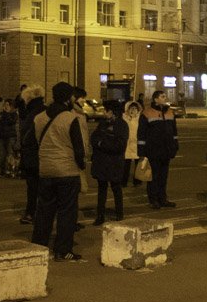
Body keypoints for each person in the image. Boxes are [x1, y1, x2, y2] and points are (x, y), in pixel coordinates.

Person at [32, 82, 86, 261]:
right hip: (66, 171)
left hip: (45, 170)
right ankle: (63, 250)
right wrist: (82, 165)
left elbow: (33, 141)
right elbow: (79, 148)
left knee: (44, 211)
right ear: (69, 97)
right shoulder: (70, 118)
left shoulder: (39, 118)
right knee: (67, 212)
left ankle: (39, 245)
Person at [90, 99, 128, 226]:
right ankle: (100, 215)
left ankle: (119, 214)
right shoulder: (102, 123)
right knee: (102, 189)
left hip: (114, 163)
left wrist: (102, 144)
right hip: (101, 162)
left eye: (105, 110)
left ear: (111, 112)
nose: (103, 113)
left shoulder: (121, 125)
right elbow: (93, 138)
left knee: (116, 188)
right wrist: (100, 143)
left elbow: (119, 145)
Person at [141, 90, 179, 208]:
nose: (165, 98)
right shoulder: (147, 113)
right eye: (162, 96)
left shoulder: (170, 112)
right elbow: (141, 133)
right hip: (153, 151)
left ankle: (163, 199)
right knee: (153, 176)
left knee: (163, 176)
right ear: (155, 99)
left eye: (164, 96)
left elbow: (174, 132)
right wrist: (142, 151)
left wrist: (175, 145)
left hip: (166, 150)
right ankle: (153, 200)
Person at [17, 84, 47, 225]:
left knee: (33, 187)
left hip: (33, 156)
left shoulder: (33, 115)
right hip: (45, 155)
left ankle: (31, 213)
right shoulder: (45, 111)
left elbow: (27, 138)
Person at [0, 100, 18, 176]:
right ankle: (3, 170)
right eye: (4, 105)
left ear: (11, 106)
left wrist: (7, 113)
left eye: (7, 105)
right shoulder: (1, 114)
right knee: (2, 154)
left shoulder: (14, 114)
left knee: (9, 153)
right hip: (1, 136)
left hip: (10, 136)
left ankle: (10, 170)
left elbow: (11, 122)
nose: (5, 106)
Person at [123, 101, 144, 186]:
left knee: (137, 164)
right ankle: (123, 181)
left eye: (135, 108)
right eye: (131, 108)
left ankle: (137, 181)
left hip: (136, 144)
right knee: (126, 165)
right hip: (127, 145)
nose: (133, 110)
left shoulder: (140, 119)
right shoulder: (124, 118)